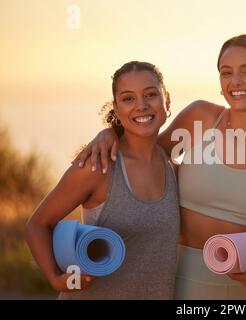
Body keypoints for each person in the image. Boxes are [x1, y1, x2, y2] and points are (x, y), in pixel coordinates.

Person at [74, 34, 246, 299]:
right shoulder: (200, 118)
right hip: (178, 279)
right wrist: (110, 134)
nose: (236, 82)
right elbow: (145, 153)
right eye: (226, 72)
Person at [26, 61, 180, 299]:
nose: (141, 105)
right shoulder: (98, 166)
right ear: (117, 109)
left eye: (151, 95)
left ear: (166, 100)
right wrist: (56, 278)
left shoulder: (173, 166)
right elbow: (38, 224)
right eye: (128, 99)